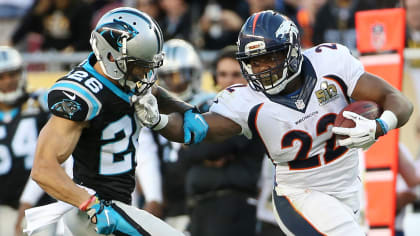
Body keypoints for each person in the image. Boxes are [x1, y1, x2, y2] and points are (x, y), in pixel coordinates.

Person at [135, 10, 413, 235]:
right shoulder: (245, 101)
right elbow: (195, 128)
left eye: (270, 57)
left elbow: (397, 100)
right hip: (298, 193)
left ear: (292, 50)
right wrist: (158, 120)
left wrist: (381, 126)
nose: (262, 69)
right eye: (254, 62)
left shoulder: (331, 63)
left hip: (347, 185)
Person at [28, 7, 208, 236]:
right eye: (139, 65)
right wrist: (91, 205)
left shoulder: (127, 75)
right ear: (111, 56)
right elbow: (43, 169)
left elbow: (152, 89)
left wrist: (185, 108)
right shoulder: (83, 96)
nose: (146, 73)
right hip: (92, 212)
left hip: (118, 206)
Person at [181, 45, 265, 236]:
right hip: (200, 206)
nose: (229, 81)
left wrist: (197, 145)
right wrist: (198, 146)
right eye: (223, 74)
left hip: (235, 207)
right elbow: (184, 155)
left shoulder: (254, 108)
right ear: (214, 77)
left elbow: (209, 149)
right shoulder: (207, 107)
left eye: (236, 74)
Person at [137, 39, 214, 231]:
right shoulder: (149, 108)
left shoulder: (207, 105)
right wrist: (152, 195)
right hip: (166, 201)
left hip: (200, 198)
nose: (172, 83)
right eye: (167, 77)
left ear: (193, 74)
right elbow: (144, 155)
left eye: (179, 76)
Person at [0, 46, 50, 236]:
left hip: (41, 205)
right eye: (1, 76)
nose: (8, 81)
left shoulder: (41, 103)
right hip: (3, 206)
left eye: (12, 74)